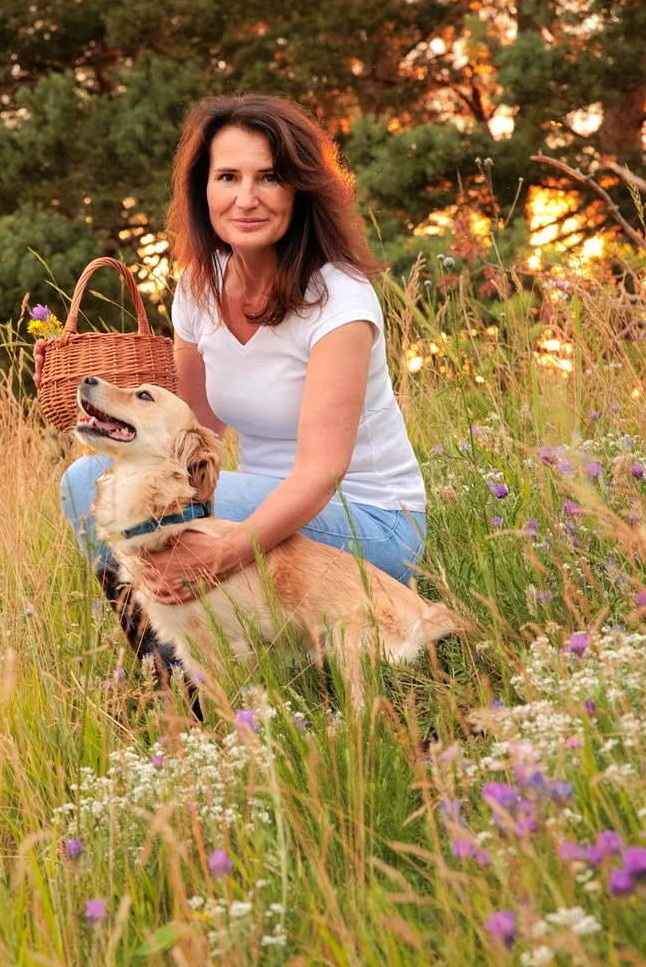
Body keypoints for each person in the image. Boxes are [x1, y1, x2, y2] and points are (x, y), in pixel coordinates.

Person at [59, 93, 428, 673]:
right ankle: (173, 660)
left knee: (144, 511)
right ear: (203, 191)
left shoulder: (340, 302)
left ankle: (210, 672)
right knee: (86, 483)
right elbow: (194, 431)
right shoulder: (198, 289)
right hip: (255, 507)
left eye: (269, 177)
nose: (247, 198)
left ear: (299, 191)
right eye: (228, 176)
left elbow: (320, 473)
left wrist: (221, 550)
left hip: (366, 524)